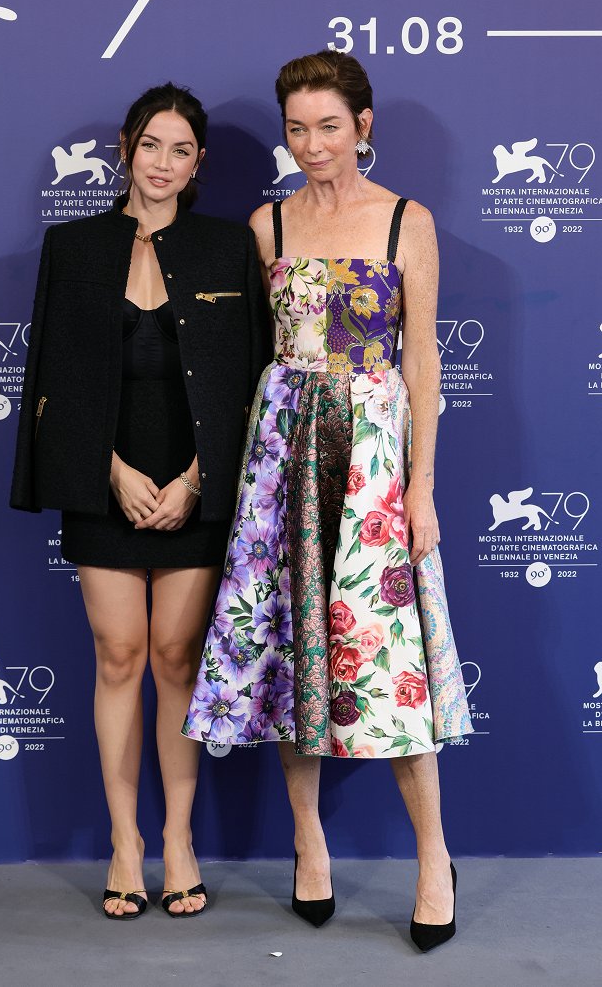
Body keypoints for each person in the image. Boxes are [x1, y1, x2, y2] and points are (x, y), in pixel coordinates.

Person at [183, 51, 473, 949]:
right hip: (282, 455)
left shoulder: (404, 222)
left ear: (364, 125)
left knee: (393, 667)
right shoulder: (265, 224)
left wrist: (420, 486)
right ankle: (308, 844)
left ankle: (434, 859)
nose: (313, 145)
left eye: (331, 127)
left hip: (375, 454)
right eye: (298, 128)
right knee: (289, 646)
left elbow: (421, 360)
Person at [10, 83, 272, 920]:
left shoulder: (228, 249)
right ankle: (126, 841)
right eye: (151, 145)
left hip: (196, 488)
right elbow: (52, 383)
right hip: (104, 486)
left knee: (175, 660)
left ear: (198, 164)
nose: (163, 164)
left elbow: (252, 386)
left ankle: (180, 841)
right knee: (119, 655)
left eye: (181, 150)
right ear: (126, 147)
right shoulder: (74, 247)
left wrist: (198, 479)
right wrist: (107, 469)